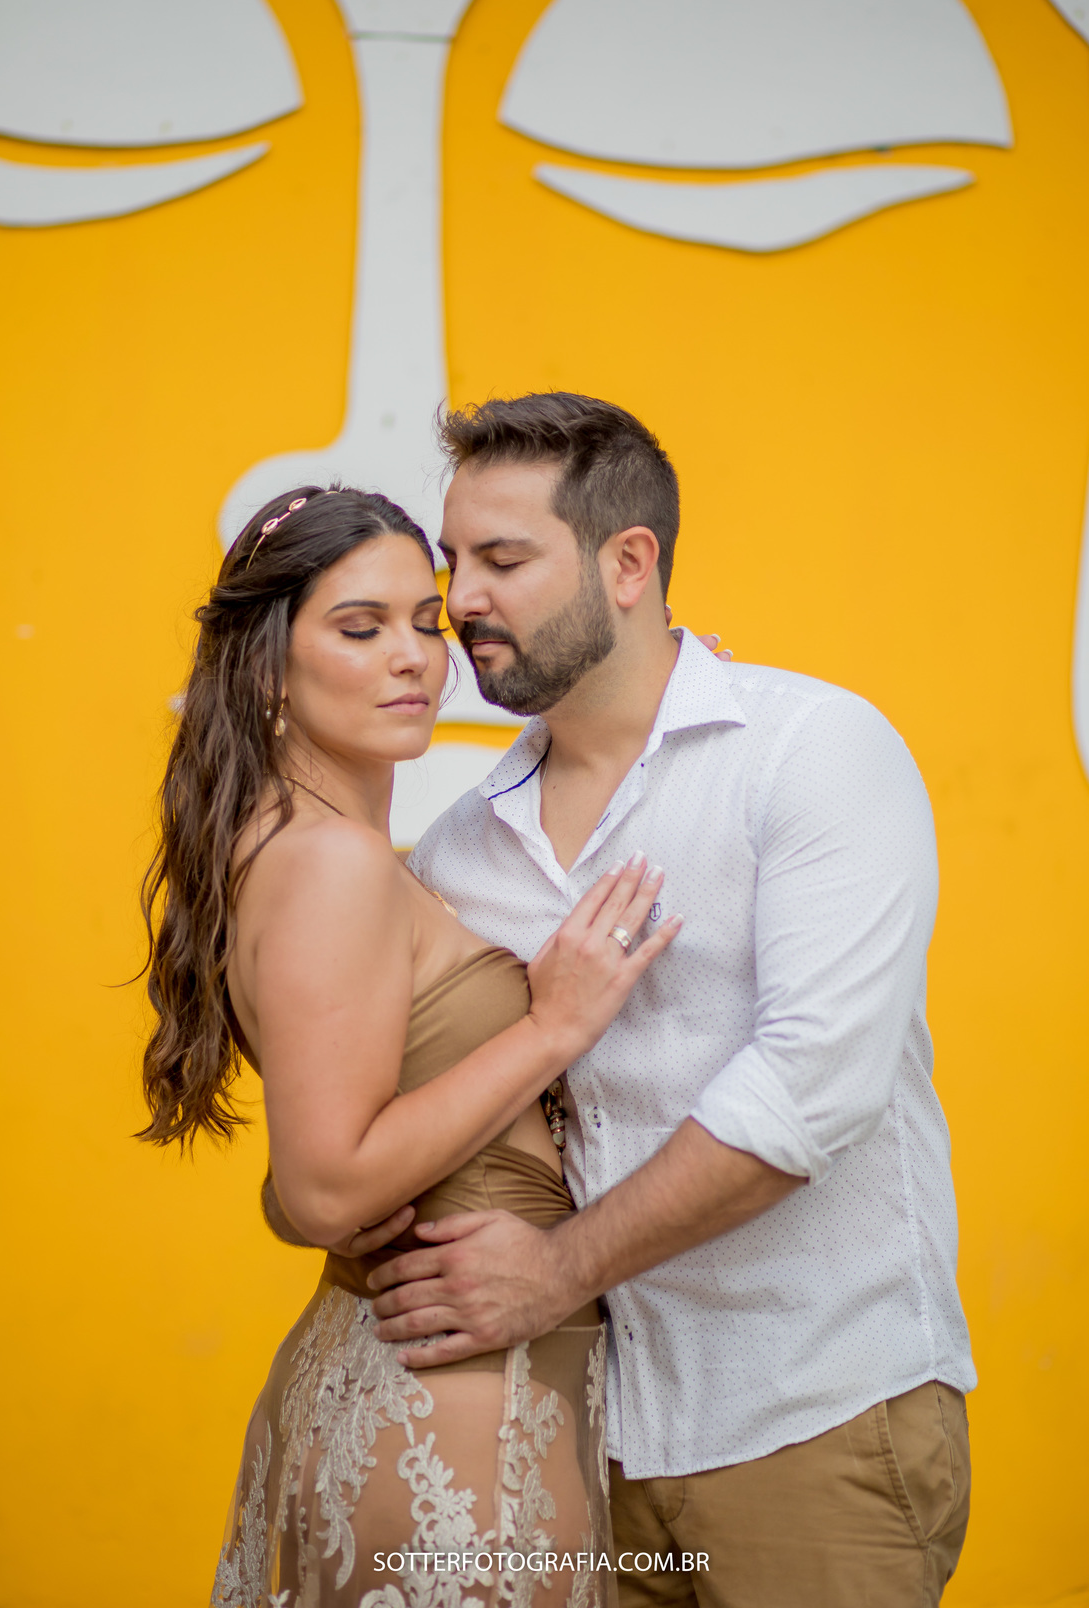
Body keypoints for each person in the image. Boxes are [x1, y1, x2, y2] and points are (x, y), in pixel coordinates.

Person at [359, 393, 976, 1608]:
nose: (461, 599)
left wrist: (552, 1269)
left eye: (504, 558)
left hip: (813, 1416)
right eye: (452, 562)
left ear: (628, 562)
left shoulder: (811, 754)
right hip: (578, 1447)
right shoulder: (460, 853)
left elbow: (807, 1093)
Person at [137, 483, 684, 1608]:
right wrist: (554, 1026)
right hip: (447, 1413)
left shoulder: (313, 848)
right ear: (264, 668)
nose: (413, 659)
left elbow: (308, 1184)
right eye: (359, 628)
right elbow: (329, 1184)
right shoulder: (329, 864)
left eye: (425, 624)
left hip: (445, 1380)